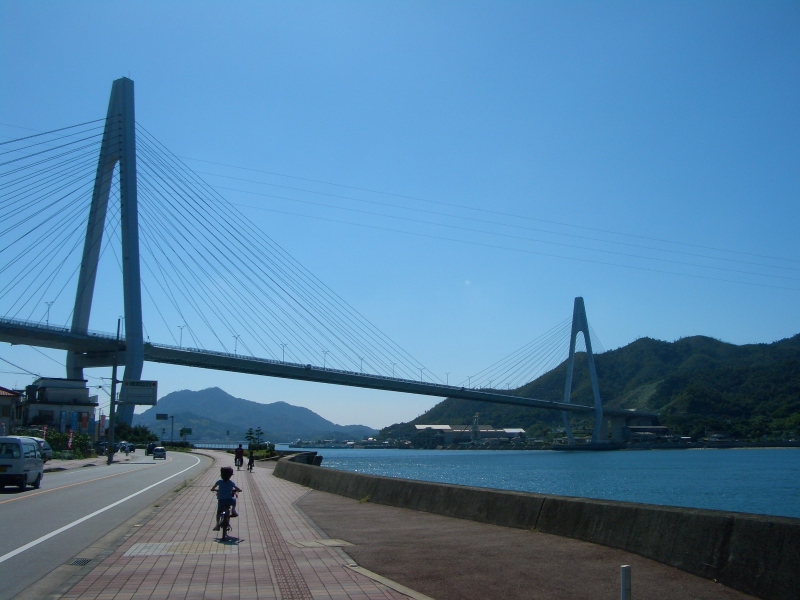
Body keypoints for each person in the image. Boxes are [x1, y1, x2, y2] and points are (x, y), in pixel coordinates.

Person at [211, 466, 241, 530]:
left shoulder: (219, 482)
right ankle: (233, 510)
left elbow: (213, 488)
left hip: (221, 500)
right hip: (229, 500)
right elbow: (237, 488)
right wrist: (239, 490)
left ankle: (217, 525)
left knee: (219, 513)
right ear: (230, 476)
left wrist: (213, 489)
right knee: (234, 500)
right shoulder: (231, 483)